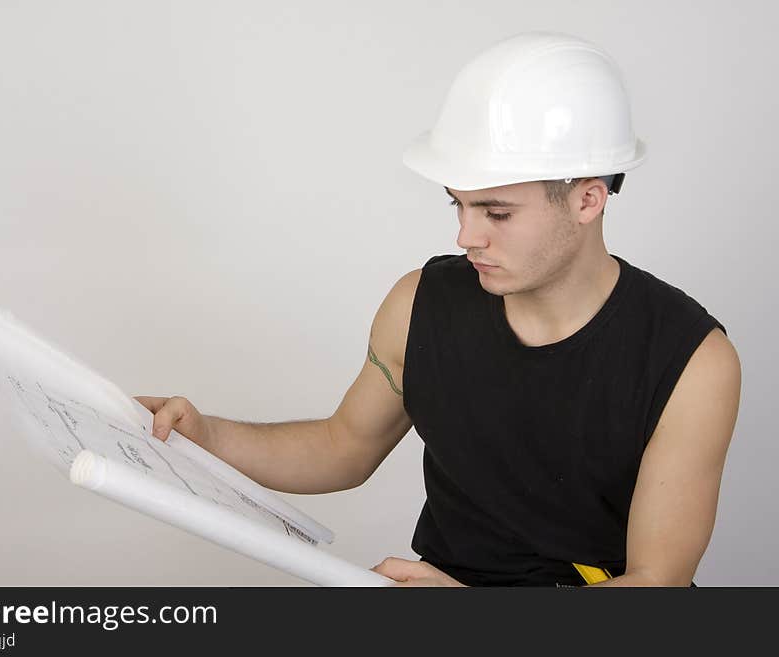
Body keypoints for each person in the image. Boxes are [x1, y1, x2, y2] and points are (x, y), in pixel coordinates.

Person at [135, 32, 741, 587]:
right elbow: (341, 446)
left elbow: (655, 587)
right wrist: (206, 435)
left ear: (588, 199)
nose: (466, 236)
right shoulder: (419, 303)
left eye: (496, 213)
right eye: (458, 205)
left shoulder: (689, 361)